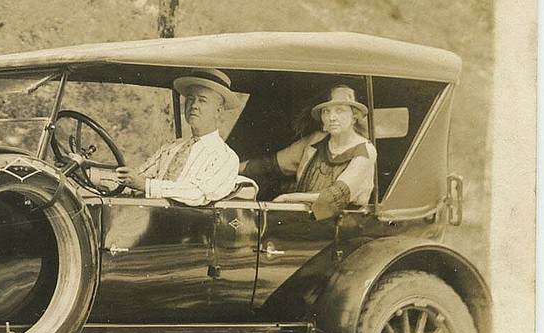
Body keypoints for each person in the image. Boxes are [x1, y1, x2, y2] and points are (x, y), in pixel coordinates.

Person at [242, 85, 377, 220]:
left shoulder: (365, 150)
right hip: (303, 219)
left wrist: (289, 198)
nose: (332, 117)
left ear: (354, 116)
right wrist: (234, 168)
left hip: (343, 225)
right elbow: (271, 165)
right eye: (326, 111)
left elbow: (335, 195)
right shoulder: (316, 140)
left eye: (340, 111)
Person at [115, 68, 239, 205]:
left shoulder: (225, 157)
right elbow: (138, 177)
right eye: (190, 99)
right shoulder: (170, 148)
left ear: (218, 110)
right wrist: (100, 178)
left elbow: (196, 194)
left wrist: (147, 186)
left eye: (202, 100)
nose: (194, 106)